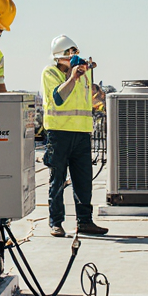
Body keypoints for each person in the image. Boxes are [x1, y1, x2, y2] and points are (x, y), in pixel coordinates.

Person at [41, 35, 108, 237]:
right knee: (57, 180)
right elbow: (59, 99)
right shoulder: (50, 73)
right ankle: (56, 223)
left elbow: (85, 103)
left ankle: (85, 221)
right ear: (60, 56)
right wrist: (73, 77)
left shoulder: (83, 77)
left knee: (83, 180)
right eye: (70, 54)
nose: (74, 58)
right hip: (59, 134)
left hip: (81, 134)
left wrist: (100, 100)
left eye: (75, 53)